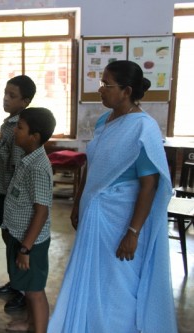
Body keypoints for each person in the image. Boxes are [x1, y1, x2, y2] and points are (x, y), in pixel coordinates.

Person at [48, 60, 178, 333]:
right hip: (94, 216)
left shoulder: (143, 127)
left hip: (119, 221)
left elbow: (149, 185)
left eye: (107, 85)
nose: (101, 90)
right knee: (93, 277)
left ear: (126, 90)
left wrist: (133, 232)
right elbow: (92, 165)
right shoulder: (104, 120)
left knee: (118, 283)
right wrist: (78, 202)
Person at [3, 107, 56, 333]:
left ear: (34, 137)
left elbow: (41, 212)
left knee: (35, 291)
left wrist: (25, 249)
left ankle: (39, 329)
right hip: (20, 234)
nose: (15, 130)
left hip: (30, 242)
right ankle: (29, 322)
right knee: (27, 287)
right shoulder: (27, 158)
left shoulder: (37, 168)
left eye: (20, 128)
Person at [0, 75, 36, 313]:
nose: (5, 99)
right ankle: (15, 283)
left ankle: (21, 290)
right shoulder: (8, 123)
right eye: (5, 93)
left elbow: (18, 166)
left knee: (17, 241)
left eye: (12, 96)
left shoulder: (19, 127)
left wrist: (12, 198)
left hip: (12, 195)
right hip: (2, 191)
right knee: (9, 240)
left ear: (25, 101)